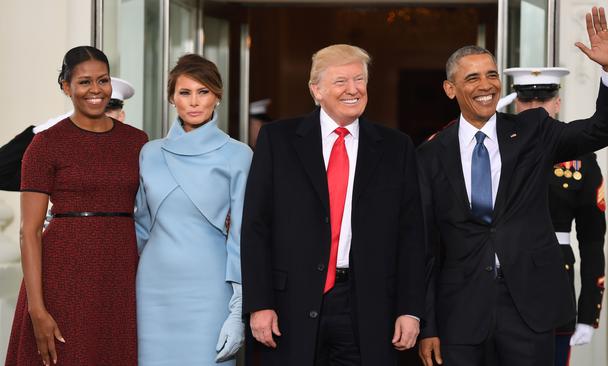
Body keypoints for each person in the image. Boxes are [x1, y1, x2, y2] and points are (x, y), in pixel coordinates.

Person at [417, 7, 608, 366]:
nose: (485, 86)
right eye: (472, 78)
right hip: (460, 313)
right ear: (450, 88)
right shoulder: (428, 155)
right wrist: (428, 326)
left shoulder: (533, 131)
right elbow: (424, 247)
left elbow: (601, 129)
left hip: (528, 308)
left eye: (490, 75)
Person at [241, 44, 425, 366]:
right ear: (316, 90)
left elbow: (411, 236)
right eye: (341, 81)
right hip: (289, 305)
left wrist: (409, 309)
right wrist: (259, 303)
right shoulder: (277, 140)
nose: (353, 90)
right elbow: (256, 226)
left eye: (359, 79)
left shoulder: (397, 148)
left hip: (367, 306)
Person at [4, 46, 148, 366]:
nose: (95, 90)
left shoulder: (137, 142)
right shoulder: (45, 144)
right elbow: (29, 231)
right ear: (66, 87)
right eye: (84, 82)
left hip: (120, 274)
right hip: (62, 275)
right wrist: (37, 309)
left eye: (103, 80)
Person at [135, 53, 252, 365]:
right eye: (185, 92)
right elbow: (139, 229)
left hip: (211, 289)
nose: (194, 102)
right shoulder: (149, 152)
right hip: (152, 290)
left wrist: (238, 311)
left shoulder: (238, 154)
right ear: (172, 98)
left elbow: (242, 237)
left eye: (204, 92)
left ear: (217, 96)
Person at [502, 66, 606, 366]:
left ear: (557, 104)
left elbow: (591, 240)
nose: (535, 108)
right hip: (500, 282)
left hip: (553, 287)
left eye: (544, 101)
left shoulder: (582, 161)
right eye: (526, 101)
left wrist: (588, 313)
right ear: (515, 102)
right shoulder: (494, 149)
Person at [0, 77, 135, 191]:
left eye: (107, 111)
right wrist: (42, 129)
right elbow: (3, 173)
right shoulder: (64, 155)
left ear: (121, 116)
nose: (99, 117)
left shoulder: (134, 149)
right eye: (92, 110)